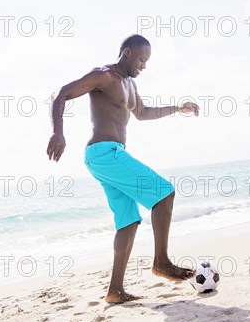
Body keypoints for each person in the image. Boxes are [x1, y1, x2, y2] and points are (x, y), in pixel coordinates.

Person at [47, 34, 199, 303]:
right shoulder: (103, 76)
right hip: (104, 153)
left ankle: (115, 291)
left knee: (128, 221)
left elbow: (143, 113)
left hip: (111, 155)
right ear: (127, 53)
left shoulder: (130, 85)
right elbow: (62, 94)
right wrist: (58, 133)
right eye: (142, 59)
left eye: (147, 61)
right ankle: (161, 262)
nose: (144, 65)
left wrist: (178, 108)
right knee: (164, 194)